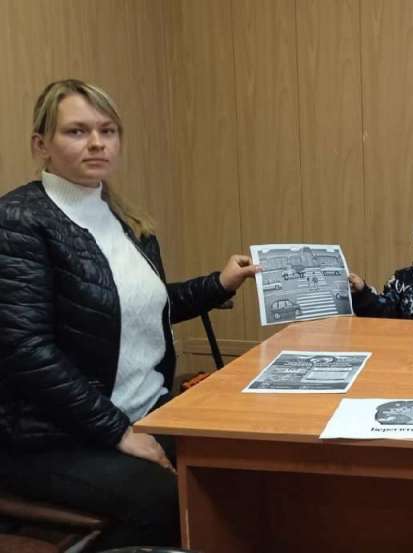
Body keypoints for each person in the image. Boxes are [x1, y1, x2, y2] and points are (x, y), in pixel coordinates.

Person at [0, 79, 260, 549]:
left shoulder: (126, 220)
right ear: (41, 145)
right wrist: (118, 431)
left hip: (143, 414)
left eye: (108, 130)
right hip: (49, 440)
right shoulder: (19, 219)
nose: (97, 143)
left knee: (238, 465)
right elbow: (25, 349)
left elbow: (133, 311)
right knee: (167, 500)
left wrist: (218, 284)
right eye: (76, 131)